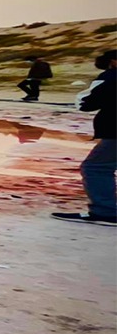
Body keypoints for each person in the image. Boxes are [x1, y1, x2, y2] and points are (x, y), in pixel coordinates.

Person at [53, 50, 116, 225]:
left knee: (96, 168)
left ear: (112, 62)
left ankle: (105, 212)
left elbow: (86, 103)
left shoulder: (110, 77)